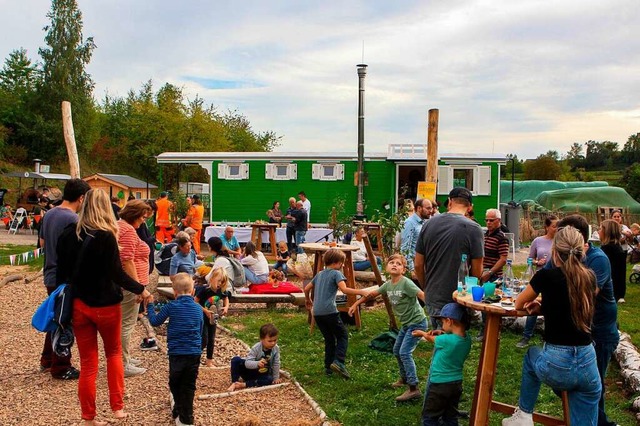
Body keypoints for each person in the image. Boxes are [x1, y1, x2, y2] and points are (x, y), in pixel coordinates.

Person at [56, 188, 150, 426]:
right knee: (113, 354)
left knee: (88, 363)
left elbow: (62, 272)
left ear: (84, 204)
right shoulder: (107, 235)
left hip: (79, 304)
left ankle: (88, 417)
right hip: (107, 305)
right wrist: (141, 288)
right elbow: (116, 273)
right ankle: (117, 408)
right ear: (107, 207)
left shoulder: (69, 233)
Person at [502, 226, 601, 426]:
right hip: (588, 362)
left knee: (531, 356)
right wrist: (545, 305)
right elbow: (571, 303)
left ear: (554, 252)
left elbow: (519, 303)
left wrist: (539, 305)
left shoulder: (545, 277)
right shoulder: (589, 278)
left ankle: (524, 415)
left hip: (557, 363)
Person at [547, 214, 618, 426]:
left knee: (592, 388)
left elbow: (584, 294)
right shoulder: (560, 256)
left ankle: (602, 424)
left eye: (563, 233)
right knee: (567, 384)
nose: (558, 237)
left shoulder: (598, 259)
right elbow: (549, 280)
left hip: (600, 330)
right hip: (578, 331)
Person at [349, 254, 426, 401]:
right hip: (406, 324)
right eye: (392, 262)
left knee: (404, 353)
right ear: (387, 267)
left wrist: (436, 311)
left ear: (403, 270)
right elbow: (371, 294)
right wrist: (355, 305)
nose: (395, 265)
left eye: (399, 264)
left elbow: (421, 295)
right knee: (397, 350)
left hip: (417, 322)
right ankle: (404, 378)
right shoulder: (388, 285)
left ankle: (414, 388)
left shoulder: (406, 283)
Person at [39, 178, 90, 380]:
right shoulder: (73, 220)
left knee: (56, 316)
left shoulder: (49, 213)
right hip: (64, 276)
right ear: (81, 197)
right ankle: (61, 365)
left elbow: (42, 242)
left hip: (49, 272)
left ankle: (47, 358)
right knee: (65, 320)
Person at [414, 187, 484, 329]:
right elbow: (477, 270)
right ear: (470, 207)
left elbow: (418, 265)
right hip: (459, 298)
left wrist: (427, 288)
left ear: (450, 202)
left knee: (440, 342)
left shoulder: (427, 224)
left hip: (434, 296)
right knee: (454, 345)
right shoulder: (474, 229)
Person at [147, 273, 203, 426]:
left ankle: (180, 409)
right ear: (192, 291)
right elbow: (200, 328)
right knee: (189, 384)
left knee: (175, 382)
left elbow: (155, 321)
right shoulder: (198, 309)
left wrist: (150, 305)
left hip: (177, 353)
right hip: (193, 353)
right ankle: (187, 413)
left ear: (174, 292)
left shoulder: (171, 306)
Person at [304, 249, 367, 379]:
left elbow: (306, 288)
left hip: (317, 313)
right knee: (342, 335)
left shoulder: (320, 274)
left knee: (329, 339)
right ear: (338, 263)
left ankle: (328, 367)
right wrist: (361, 292)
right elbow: (344, 289)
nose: (342, 266)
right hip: (330, 312)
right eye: (342, 263)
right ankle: (339, 361)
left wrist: (307, 299)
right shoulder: (336, 274)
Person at [412, 302, 471, 426]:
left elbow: (430, 339)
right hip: (455, 384)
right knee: (450, 416)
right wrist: (441, 332)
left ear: (449, 321)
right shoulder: (467, 339)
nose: (442, 325)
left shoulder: (446, 340)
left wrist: (422, 333)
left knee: (430, 418)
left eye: (443, 322)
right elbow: (452, 337)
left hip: (439, 385)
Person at [117, 200, 154, 377]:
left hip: (130, 284)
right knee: (126, 324)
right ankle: (122, 364)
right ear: (135, 215)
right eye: (143, 216)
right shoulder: (128, 231)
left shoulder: (121, 227)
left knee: (127, 323)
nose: (144, 220)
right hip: (130, 287)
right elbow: (127, 260)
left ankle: (125, 357)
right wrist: (139, 287)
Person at [516, 214, 558, 348]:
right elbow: (529, 260)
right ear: (546, 227)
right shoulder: (538, 241)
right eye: (553, 226)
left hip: (555, 278)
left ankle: (548, 337)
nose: (556, 228)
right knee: (532, 303)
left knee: (551, 306)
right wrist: (537, 261)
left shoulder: (560, 241)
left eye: (558, 226)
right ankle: (526, 336)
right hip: (539, 277)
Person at [228, 323, 282, 391]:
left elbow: (276, 363)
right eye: (270, 341)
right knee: (235, 360)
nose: (273, 343)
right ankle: (234, 382)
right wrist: (257, 363)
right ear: (261, 339)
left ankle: (244, 384)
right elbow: (247, 363)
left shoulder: (276, 349)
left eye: (275, 340)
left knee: (269, 379)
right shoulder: (256, 348)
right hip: (250, 371)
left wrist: (276, 378)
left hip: (262, 374)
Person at [195, 267, 230, 367]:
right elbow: (195, 302)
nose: (220, 284)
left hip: (213, 319)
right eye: (218, 281)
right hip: (202, 318)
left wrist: (226, 307)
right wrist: (205, 310)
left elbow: (226, 298)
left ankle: (209, 360)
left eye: (222, 282)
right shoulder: (204, 290)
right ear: (212, 278)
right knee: (204, 339)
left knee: (211, 339)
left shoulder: (222, 291)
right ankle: (195, 356)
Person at [400, 199, 433, 275]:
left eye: (431, 208)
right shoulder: (410, 223)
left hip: (422, 265)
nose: (431, 211)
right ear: (419, 208)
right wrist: (411, 269)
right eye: (428, 208)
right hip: (414, 267)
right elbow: (406, 247)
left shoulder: (424, 222)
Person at [599, 220, 627, 304]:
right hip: (616, 291)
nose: (598, 231)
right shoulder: (617, 248)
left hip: (610, 291)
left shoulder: (608, 250)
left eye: (600, 229)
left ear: (606, 232)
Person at [481, 209, 509, 284]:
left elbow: (503, 259)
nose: (488, 223)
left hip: (494, 276)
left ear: (499, 220)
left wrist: (490, 272)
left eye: (491, 220)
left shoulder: (501, 237)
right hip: (482, 272)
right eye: (486, 220)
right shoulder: (485, 235)